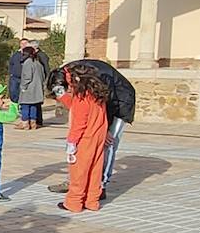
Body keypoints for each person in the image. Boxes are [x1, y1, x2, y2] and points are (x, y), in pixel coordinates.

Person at [47, 59, 135, 200]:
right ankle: (78, 183)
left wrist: (104, 129)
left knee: (108, 144)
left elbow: (108, 102)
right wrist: (60, 95)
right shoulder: (71, 73)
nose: (70, 91)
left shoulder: (98, 76)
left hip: (119, 103)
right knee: (83, 148)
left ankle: (101, 186)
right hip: (103, 106)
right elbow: (79, 108)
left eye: (68, 89)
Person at [57, 63, 110, 213]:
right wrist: (62, 96)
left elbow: (79, 121)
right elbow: (76, 105)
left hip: (85, 138)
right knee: (95, 170)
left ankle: (74, 202)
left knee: (79, 171)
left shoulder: (82, 97)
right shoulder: (95, 93)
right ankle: (92, 201)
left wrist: (72, 142)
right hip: (98, 135)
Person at [17, 46, 47, 130]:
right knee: (34, 105)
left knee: (25, 105)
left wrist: (23, 87)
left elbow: (27, 77)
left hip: (29, 88)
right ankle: (33, 122)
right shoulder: (38, 63)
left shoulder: (28, 63)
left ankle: (25, 123)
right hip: (37, 88)